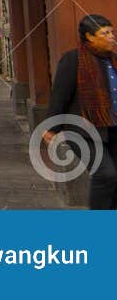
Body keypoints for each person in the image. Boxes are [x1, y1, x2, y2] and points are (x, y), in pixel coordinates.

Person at [46, 14, 117, 209]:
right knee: (106, 174)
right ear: (90, 37)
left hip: (112, 128)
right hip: (82, 131)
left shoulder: (113, 60)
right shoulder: (73, 59)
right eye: (105, 33)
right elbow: (60, 94)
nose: (111, 36)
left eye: (112, 32)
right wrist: (51, 128)